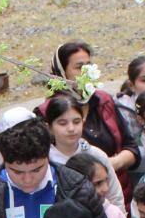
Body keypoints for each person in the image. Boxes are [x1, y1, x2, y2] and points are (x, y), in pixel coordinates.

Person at [44, 40, 139, 169]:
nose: (86, 73)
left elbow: (131, 147)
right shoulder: (46, 111)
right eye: (79, 67)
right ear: (61, 73)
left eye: (88, 66)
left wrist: (113, 163)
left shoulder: (103, 101)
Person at [43, 91, 126, 206]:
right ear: (50, 128)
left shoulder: (97, 155)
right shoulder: (46, 163)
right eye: (62, 123)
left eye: (76, 122)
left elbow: (115, 196)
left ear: (83, 122)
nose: (71, 128)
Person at [64, 151, 131, 218]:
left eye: (106, 180)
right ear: (76, 184)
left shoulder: (115, 215)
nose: (106, 188)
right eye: (97, 183)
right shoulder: (60, 217)